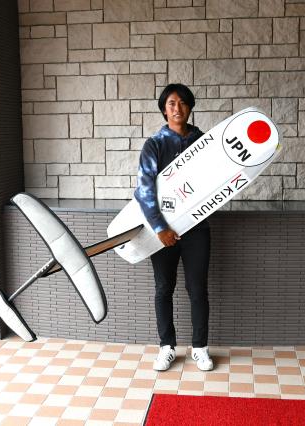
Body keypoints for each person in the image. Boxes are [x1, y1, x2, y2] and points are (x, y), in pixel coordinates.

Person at [134, 83, 213, 372]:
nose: (177, 108)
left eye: (182, 103)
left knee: (197, 288)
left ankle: (200, 348)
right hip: (163, 232)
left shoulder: (204, 142)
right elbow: (144, 190)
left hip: (197, 228)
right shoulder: (154, 144)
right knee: (164, 288)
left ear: (190, 107)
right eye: (171, 103)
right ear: (164, 110)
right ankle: (166, 347)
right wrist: (160, 228)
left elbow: (215, 181)